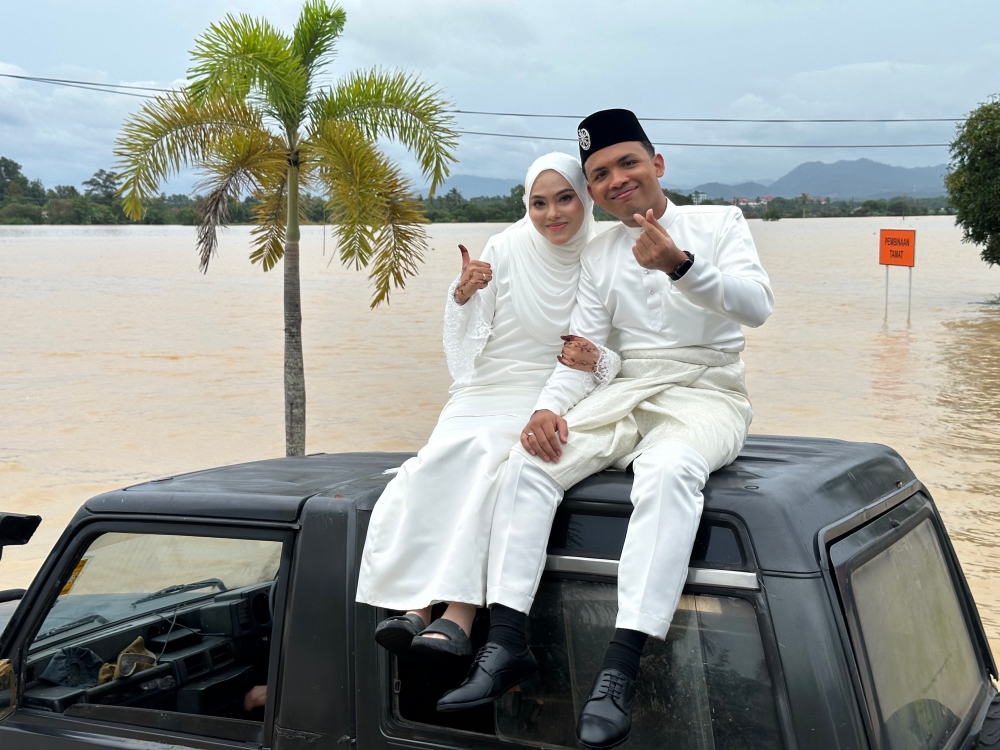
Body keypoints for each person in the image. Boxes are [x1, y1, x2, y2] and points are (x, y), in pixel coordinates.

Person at [437, 109, 774, 750]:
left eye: (627, 164)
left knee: (670, 468)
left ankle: (619, 669)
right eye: (600, 174)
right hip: (623, 391)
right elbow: (583, 345)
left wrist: (681, 265)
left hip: (706, 391)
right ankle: (506, 643)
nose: (617, 180)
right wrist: (546, 408)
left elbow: (757, 308)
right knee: (529, 462)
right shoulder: (600, 251)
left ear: (657, 165)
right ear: (592, 190)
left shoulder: (718, 223)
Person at [355, 152, 616, 659]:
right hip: (487, 385)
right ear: (526, 204)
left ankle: (458, 614)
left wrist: (597, 359)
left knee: (489, 458)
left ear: (585, 197)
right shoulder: (505, 244)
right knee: (432, 462)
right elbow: (472, 341)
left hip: (548, 391)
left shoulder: (605, 255)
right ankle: (416, 606)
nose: (552, 214)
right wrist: (463, 296)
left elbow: (613, 349)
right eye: (539, 203)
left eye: (565, 198)